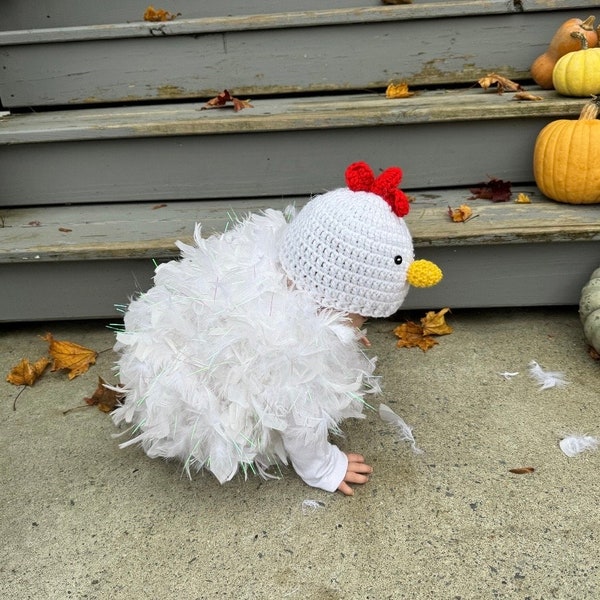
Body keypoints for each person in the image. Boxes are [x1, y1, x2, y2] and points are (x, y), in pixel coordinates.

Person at [112, 161, 442, 495]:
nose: (361, 324)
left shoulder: (271, 267)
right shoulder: (297, 349)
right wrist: (324, 466)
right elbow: (301, 420)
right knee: (296, 394)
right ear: (331, 299)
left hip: (182, 351)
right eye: (360, 315)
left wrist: (343, 327)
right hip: (201, 413)